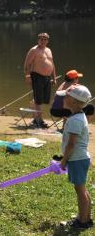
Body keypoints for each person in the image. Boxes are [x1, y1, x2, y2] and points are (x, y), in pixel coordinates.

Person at [57, 85, 92, 229]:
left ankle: (82, 222)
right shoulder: (78, 116)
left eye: (66, 97)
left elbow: (71, 144)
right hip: (80, 158)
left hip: (77, 159)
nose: (63, 99)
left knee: (80, 190)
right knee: (82, 189)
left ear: (75, 102)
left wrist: (63, 161)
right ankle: (86, 218)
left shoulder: (75, 120)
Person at [23, 32, 57, 128]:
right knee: (38, 100)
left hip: (47, 78)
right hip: (37, 76)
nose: (43, 41)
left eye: (45, 39)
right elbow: (26, 65)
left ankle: (35, 118)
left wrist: (54, 78)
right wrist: (28, 76)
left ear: (47, 41)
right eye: (41, 39)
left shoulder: (49, 50)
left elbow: (52, 64)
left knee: (43, 99)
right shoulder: (34, 50)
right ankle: (40, 121)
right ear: (38, 40)